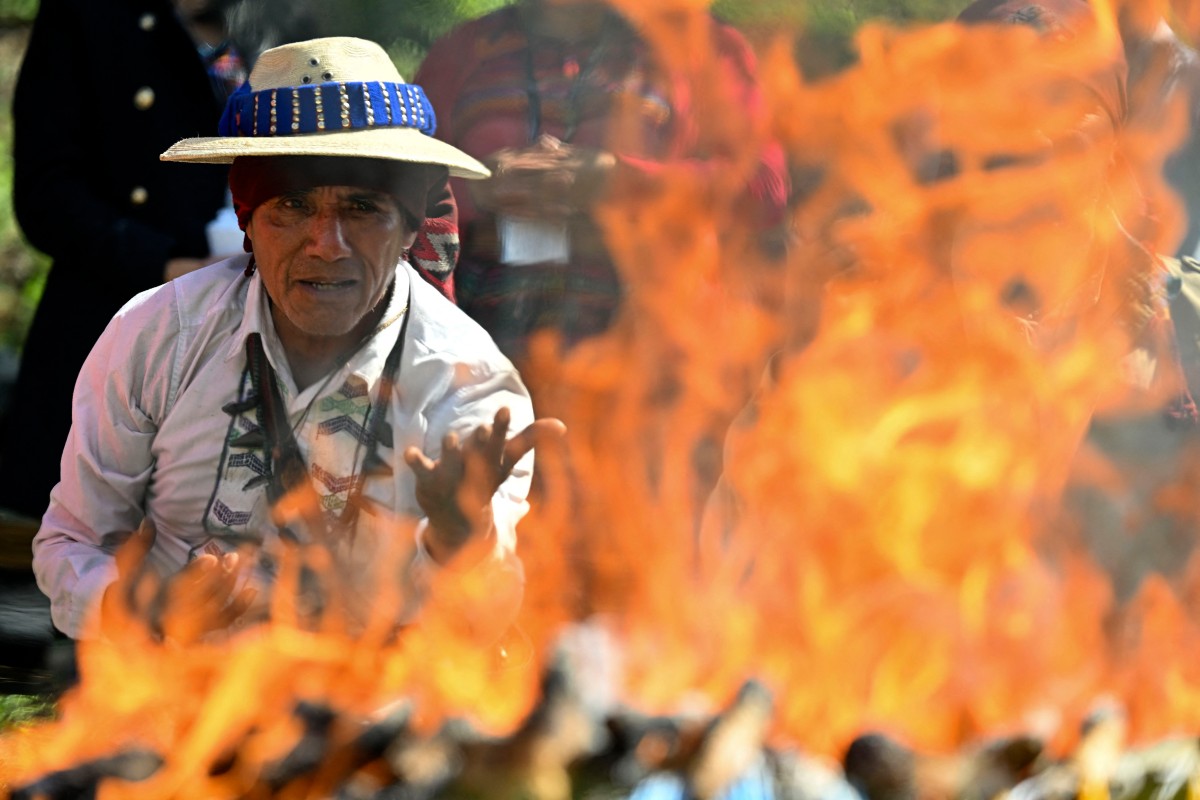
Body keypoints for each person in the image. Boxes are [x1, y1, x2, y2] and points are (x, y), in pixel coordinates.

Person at [30, 36, 564, 642]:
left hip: (367, 718)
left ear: (410, 226)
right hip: (179, 707)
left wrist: (462, 540)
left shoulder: (467, 382)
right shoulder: (157, 336)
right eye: (292, 205)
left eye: (362, 207)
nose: (326, 243)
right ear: (247, 220)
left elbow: (484, 621)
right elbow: (73, 544)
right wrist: (146, 613)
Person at [414, 0, 789, 365]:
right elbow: (395, 195)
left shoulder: (699, 46)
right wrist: (478, 188)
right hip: (477, 354)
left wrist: (616, 180)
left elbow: (764, 190)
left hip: (656, 359)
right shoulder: (463, 51)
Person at [0, 0, 249, 523]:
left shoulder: (280, 19)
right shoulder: (88, 13)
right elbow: (46, 194)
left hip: (254, 334)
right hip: (113, 330)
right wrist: (166, 267)